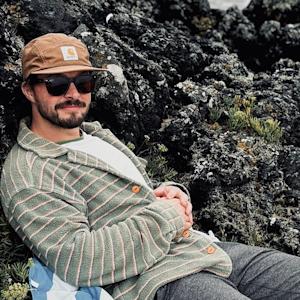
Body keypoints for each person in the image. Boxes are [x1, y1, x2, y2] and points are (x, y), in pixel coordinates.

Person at [1, 33, 299, 300]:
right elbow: (77, 259)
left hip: (201, 249)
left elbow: (133, 197)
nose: (73, 94)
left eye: (83, 82)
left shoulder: (94, 134)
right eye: (56, 84)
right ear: (29, 90)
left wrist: (169, 193)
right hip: (160, 278)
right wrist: (166, 217)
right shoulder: (29, 173)